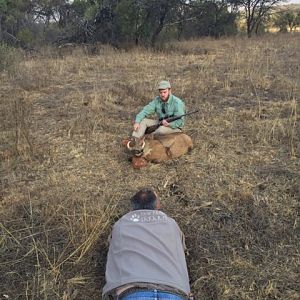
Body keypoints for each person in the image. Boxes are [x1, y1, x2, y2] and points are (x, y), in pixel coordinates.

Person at [102, 188, 191, 300]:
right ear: (157, 205)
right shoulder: (171, 224)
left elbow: (111, 247)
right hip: (173, 289)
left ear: (132, 207)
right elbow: (182, 249)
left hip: (132, 290)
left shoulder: (120, 225)